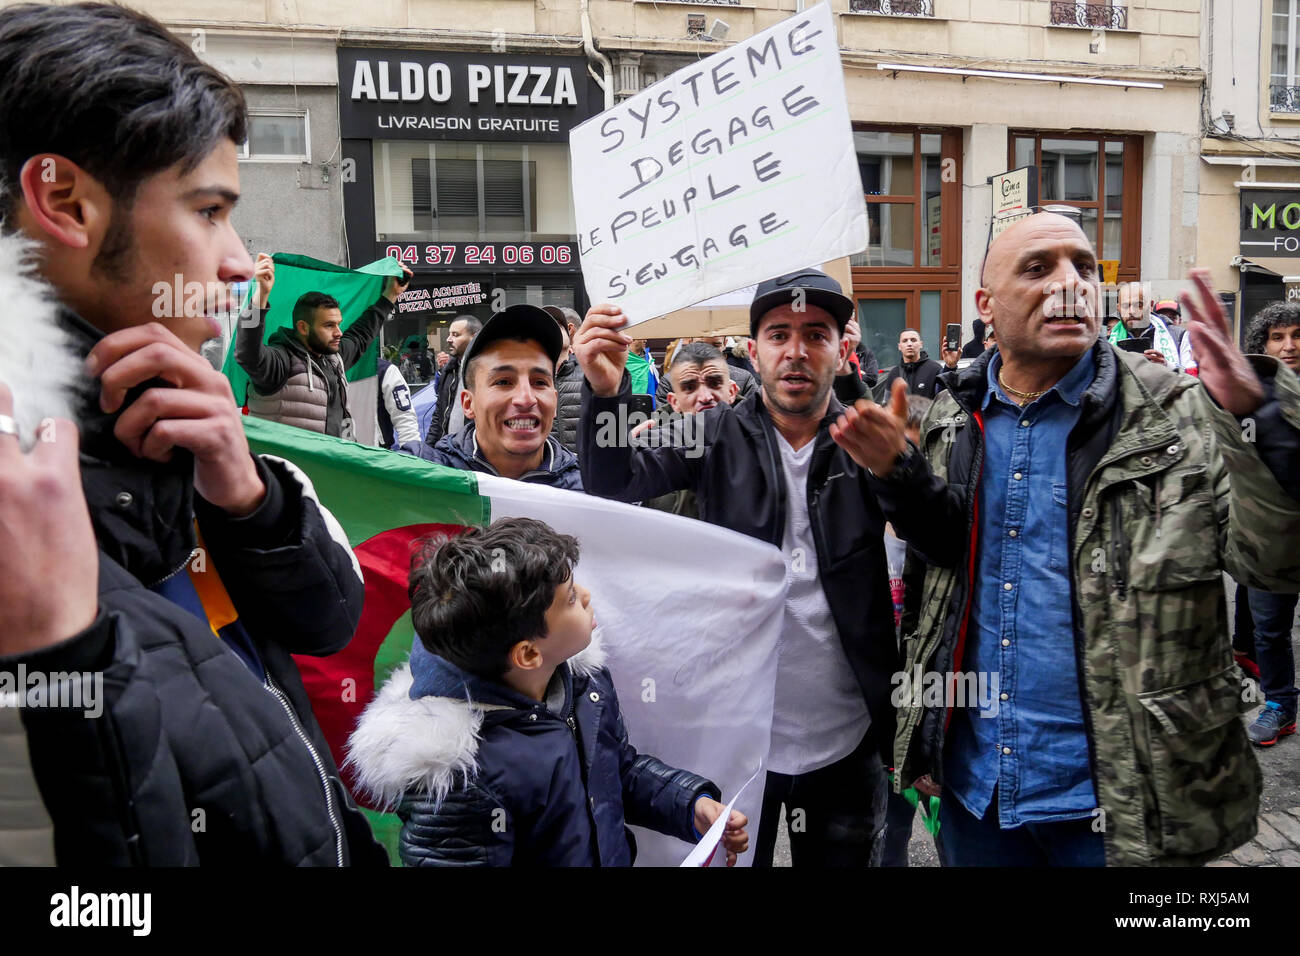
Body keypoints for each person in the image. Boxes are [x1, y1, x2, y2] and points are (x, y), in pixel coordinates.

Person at [0, 1, 387, 865]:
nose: (243, 261)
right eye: (209, 210)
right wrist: (61, 650)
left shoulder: (184, 427)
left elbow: (329, 625)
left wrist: (246, 496)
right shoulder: (23, 483)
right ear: (63, 202)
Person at [838, 211, 1300, 867]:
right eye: (1037, 268)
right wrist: (926, 743)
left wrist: (1263, 420)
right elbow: (932, 590)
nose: (1070, 284)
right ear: (986, 307)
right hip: (979, 798)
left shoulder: (1177, 412)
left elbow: (1276, 563)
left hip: (1126, 809)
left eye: (1084, 267)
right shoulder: (951, 417)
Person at [576, 268, 897, 867]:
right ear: (754, 351)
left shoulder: (869, 437)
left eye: (816, 334)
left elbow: (937, 537)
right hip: (736, 733)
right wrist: (605, 394)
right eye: (778, 334)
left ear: (841, 348)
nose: (796, 350)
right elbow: (614, 483)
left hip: (845, 740)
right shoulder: (712, 433)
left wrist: (900, 468)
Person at [346, 518, 750, 866]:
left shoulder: (581, 682)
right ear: (527, 654)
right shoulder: (458, 778)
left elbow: (615, 771)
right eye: (571, 598)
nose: (587, 596)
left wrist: (688, 805)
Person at [402, 305, 581, 490]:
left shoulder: (586, 490)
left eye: (540, 382)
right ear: (468, 404)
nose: (526, 399)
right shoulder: (424, 481)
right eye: (503, 382)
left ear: (555, 399)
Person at [237, 253, 411, 439]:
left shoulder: (334, 359)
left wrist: (390, 295)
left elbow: (361, 334)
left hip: (332, 463)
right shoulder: (279, 362)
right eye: (329, 325)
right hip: (282, 467)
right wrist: (260, 296)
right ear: (303, 327)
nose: (339, 332)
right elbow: (247, 351)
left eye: (338, 324)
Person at [1239, 302, 1300, 746]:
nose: (1289, 346)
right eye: (1277, 337)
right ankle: (1280, 703)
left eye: (1297, 335)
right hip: (1269, 536)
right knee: (1271, 629)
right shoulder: (1250, 397)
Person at [640, 342, 741, 521]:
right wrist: (621, 457)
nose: (704, 397)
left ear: (732, 391)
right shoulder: (652, 444)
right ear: (674, 402)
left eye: (715, 384)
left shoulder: (760, 440)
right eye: (689, 388)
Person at [424, 313, 481, 447]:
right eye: (450, 334)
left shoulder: (486, 371)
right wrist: (428, 449)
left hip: (473, 455)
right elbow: (438, 415)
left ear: (474, 337)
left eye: (456, 335)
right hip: (447, 450)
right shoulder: (449, 370)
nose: (449, 339)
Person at [1113, 281, 1188, 370]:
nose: (1132, 311)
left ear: (1151, 305)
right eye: (1125, 306)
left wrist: (1167, 365)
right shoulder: (1110, 341)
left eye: (1138, 305)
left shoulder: (1179, 336)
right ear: (1118, 308)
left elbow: (1192, 378)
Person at [876, 329, 959, 399]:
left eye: (913, 340)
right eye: (905, 341)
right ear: (899, 346)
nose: (909, 344)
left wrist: (950, 367)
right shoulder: (894, 373)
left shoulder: (934, 369)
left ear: (921, 344)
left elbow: (944, 398)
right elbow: (887, 404)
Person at [546, 305, 584, 454]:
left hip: (582, 471)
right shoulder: (529, 379)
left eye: (559, 324)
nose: (555, 329)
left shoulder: (589, 374)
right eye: (548, 325)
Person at [376, 356, 420, 449]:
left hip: (376, 454)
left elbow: (404, 418)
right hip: (340, 453)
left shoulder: (384, 370)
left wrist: (412, 453)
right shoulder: (338, 369)